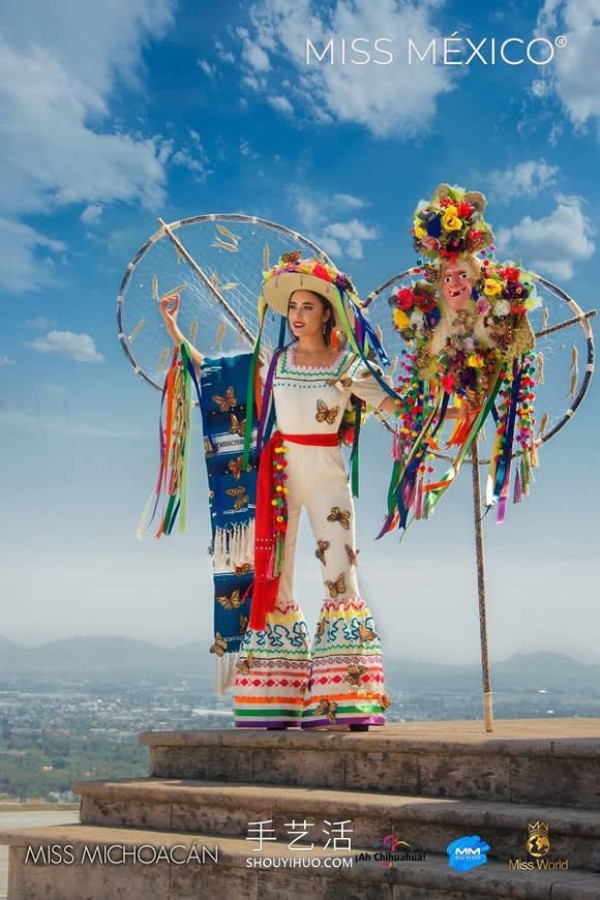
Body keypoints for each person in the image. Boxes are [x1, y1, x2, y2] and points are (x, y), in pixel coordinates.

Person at [161, 255, 396, 730]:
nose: (297, 315)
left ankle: (346, 700)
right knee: (276, 578)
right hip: (280, 474)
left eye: (307, 306)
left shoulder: (347, 363)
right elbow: (213, 374)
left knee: (341, 574)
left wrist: (444, 415)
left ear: (327, 313)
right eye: (292, 306)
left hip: (327, 471)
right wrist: (174, 330)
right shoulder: (274, 364)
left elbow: (392, 404)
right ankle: (275, 700)